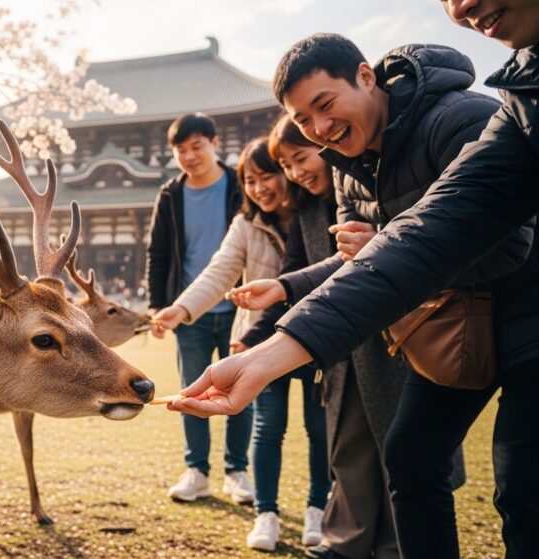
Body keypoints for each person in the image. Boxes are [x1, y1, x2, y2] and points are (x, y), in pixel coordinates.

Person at [170, 19, 539, 558]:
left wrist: (382, 239)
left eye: (325, 103)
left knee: (521, 484)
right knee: (410, 459)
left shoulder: (463, 117)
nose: (319, 126)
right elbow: (359, 265)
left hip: (525, 312)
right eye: (302, 119)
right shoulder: (347, 166)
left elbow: (503, 244)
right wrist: (274, 327)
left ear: (366, 77)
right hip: (451, 321)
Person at [236, 116, 408, 559]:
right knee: (346, 447)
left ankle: (393, 546)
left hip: (387, 339)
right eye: (287, 165)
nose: (295, 173)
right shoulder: (307, 209)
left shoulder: (364, 191)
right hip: (338, 346)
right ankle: (346, 541)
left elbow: (353, 265)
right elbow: (290, 277)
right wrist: (256, 337)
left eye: (299, 159)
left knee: (397, 448)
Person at [152, 138, 329, 551]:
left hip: (322, 335)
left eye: (266, 176)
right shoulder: (246, 224)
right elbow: (219, 273)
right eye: (249, 181)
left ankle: (318, 510)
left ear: (286, 172)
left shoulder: (315, 215)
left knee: (321, 430)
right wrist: (180, 308)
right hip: (259, 342)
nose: (258, 188)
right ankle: (265, 513)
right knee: (268, 428)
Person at [145, 113, 254, 504]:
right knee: (191, 393)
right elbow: (157, 252)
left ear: (215, 143)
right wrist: (159, 303)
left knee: (242, 390)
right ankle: (196, 471)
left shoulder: (240, 185)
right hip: (187, 312)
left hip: (240, 310)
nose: (189, 156)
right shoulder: (170, 195)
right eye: (181, 150)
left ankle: (237, 471)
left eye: (196, 146)